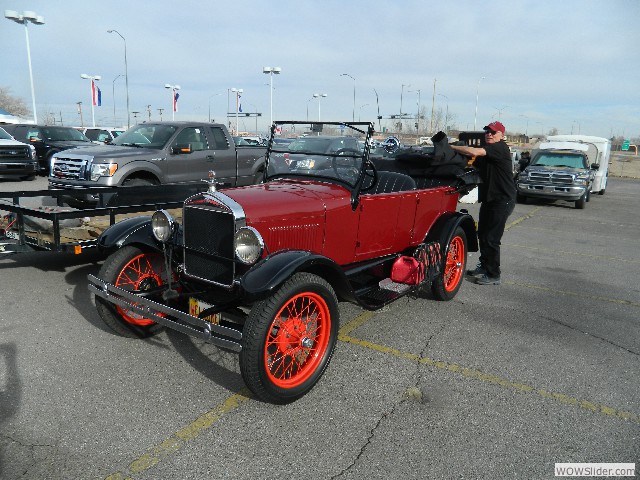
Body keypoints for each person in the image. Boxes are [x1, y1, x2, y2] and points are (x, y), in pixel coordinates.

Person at [450, 121, 516, 285]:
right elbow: (470, 163)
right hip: (489, 199)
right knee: (483, 235)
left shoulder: (499, 148)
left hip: (502, 200)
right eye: (487, 131)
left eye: (493, 132)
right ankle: (485, 266)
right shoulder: (487, 153)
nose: (489, 134)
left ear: (501, 135)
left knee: (491, 238)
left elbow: (473, 151)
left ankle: (494, 274)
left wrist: (450, 146)